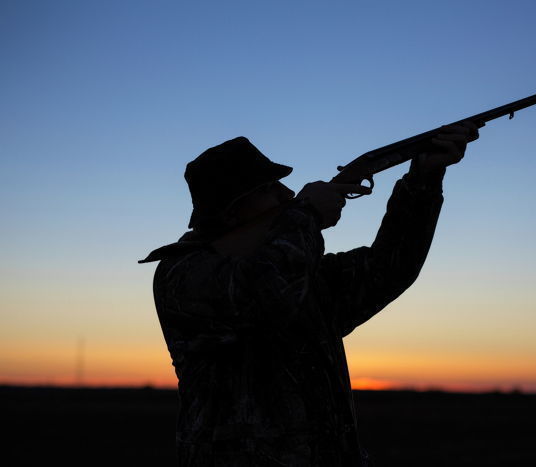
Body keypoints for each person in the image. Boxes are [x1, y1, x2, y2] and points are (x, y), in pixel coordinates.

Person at [139, 123, 478, 466]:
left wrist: (422, 179)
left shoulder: (300, 273)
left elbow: (389, 268)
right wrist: (307, 215)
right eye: (270, 189)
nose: (287, 195)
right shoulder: (181, 276)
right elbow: (268, 294)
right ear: (233, 211)